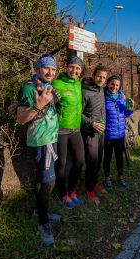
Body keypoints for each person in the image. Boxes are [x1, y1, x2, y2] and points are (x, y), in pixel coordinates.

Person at [16, 54, 60, 246]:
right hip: (42, 141)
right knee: (49, 181)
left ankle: (39, 210)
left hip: (49, 138)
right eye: (46, 68)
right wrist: (38, 105)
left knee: (42, 179)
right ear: (37, 69)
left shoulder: (47, 86)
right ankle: (43, 223)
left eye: (53, 69)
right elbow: (21, 118)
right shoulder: (29, 87)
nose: (50, 72)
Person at [52, 56, 85, 209]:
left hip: (76, 129)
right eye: (72, 67)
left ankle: (72, 191)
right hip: (61, 130)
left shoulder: (79, 84)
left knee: (79, 161)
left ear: (81, 71)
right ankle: (62, 193)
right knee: (61, 164)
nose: (74, 70)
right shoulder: (57, 83)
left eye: (77, 68)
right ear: (66, 67)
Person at [81, 65, 109, 206]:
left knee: (99, 159)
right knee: (91, 161)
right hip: (90, 132)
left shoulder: (102, 90)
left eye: (104, 77)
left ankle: (95, 182)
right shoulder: (85, 91)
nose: (101, 79)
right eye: (99, 76)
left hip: (101, 131)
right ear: (93, 75)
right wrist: (92, 123)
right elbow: (78, 114)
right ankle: (89, 190)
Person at [103, 75, 134, 191]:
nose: (114, 87)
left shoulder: (122, 97)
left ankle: (120, 177)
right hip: (108, 134)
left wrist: (130, 108)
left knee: (119, 157)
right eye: (112, 84)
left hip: (120, 133)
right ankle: (107, 178)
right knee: (107, 157)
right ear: (108, 83)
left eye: (117, 85)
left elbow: (126, 114)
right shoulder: (103, 97)